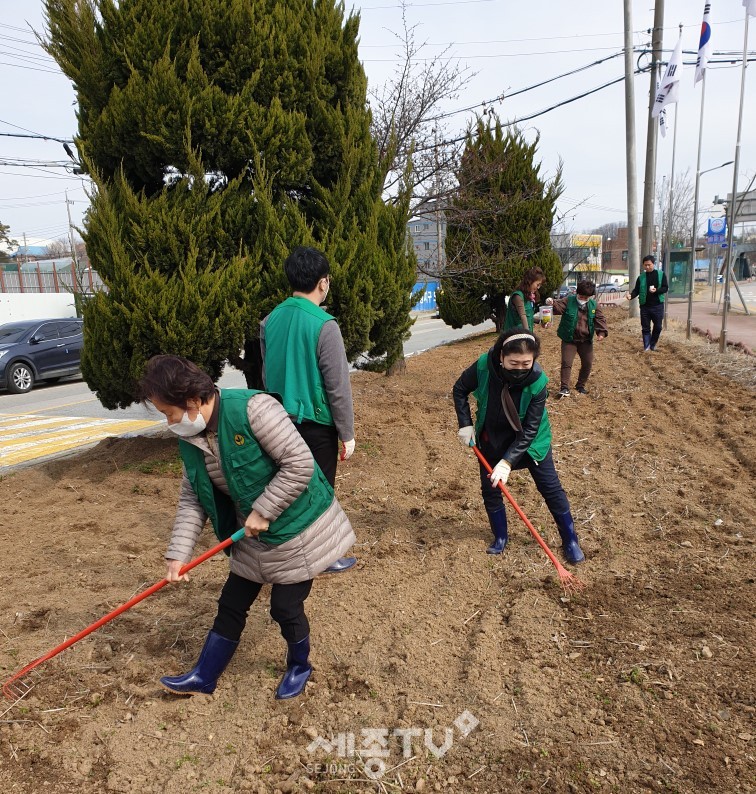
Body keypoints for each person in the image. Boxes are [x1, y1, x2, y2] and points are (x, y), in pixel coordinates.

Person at [138, 355, 356, 700]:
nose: (169, 423)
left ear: (193, 401)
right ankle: (204, 676)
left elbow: (300, 463)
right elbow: (194, 498)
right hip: (251, 533)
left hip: (299, 529)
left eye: (169, 413)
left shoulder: (254, 410)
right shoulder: (193, 438)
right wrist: (178, 556)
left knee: (285, 608)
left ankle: (300, 666)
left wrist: (265, 510)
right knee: (231, 603)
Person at [261, 246, 357, 574]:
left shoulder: (270, 320)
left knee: (287, 489)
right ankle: (324, 557)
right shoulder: (324, 325)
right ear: (323, 282)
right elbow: (337, 386)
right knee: (320, 492)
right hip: (315, 422)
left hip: (277, 420)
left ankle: (288, 553)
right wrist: (347, 432)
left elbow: (267, 373)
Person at [452, 329, 585, 563]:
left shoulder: (539, 383)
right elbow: (460, 389)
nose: (520, 369)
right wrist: (465, 424)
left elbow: (531, 429)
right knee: (491, 489)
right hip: (492, 437)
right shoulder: (484, 366)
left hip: (531, 442)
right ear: (501, 356)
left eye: (526, 364)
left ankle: (570, 540)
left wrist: (507, 462)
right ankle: (500, 537)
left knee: (550, 488)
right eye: (513, 363)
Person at [545, 279, 608, 398]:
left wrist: (601, 333)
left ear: (590, 296)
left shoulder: (594, 305)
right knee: (566, 362)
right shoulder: (569, 301)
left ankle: (580, 385)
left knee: (587, 363)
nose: (583, 299)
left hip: (585, 340)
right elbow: (558, 307)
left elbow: (600, 319)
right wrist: (551, 302)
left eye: (586, 297)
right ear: (577, 293)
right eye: (581, 296)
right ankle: (564, 388)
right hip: (569, 339)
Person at [626, 254, 668, 351]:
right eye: (645, 265)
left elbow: (665, 288)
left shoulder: (661, 274)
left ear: (653, 264)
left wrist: (656, 290)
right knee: (645, 328)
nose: (647, 267)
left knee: (658, 327)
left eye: (649, 265)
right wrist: (631, 296)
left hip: (658, 306)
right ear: (643, 265)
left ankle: (652, 344)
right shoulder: (641, 277)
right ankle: (647, 347)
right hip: (645, 306)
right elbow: (636, 290)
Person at [503, 267, 546, 333]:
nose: (538, 287)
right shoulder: (518, 296)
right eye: (538, 284)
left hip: (524, 334)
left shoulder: (528, 297)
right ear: (530, 281)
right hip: (514, 335)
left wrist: (541, 321)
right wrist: (528, 335)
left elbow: (529, 316)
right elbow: (523, 317)